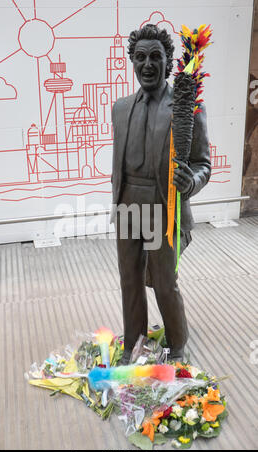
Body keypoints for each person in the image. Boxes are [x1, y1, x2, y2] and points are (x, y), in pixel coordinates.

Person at [110, 24, 211, 364]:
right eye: (140, 58)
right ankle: (133, 343)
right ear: (132, 62)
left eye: (156, 57)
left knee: (165, 282)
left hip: (163, 208)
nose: (148, 64)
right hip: (126, 205)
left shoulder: (188, 108)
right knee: (129, 280)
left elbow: (203, 164)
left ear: (169, 63)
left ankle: (176, 344)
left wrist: (191, 182)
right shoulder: (121, 108)